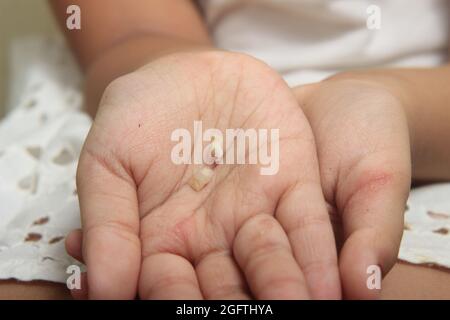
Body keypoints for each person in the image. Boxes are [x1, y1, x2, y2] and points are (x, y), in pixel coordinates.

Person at [1, 0, 450, 299]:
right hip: (155, 83)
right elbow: (130, 32)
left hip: (429, 113)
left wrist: (395, 103)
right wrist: (179, 74)